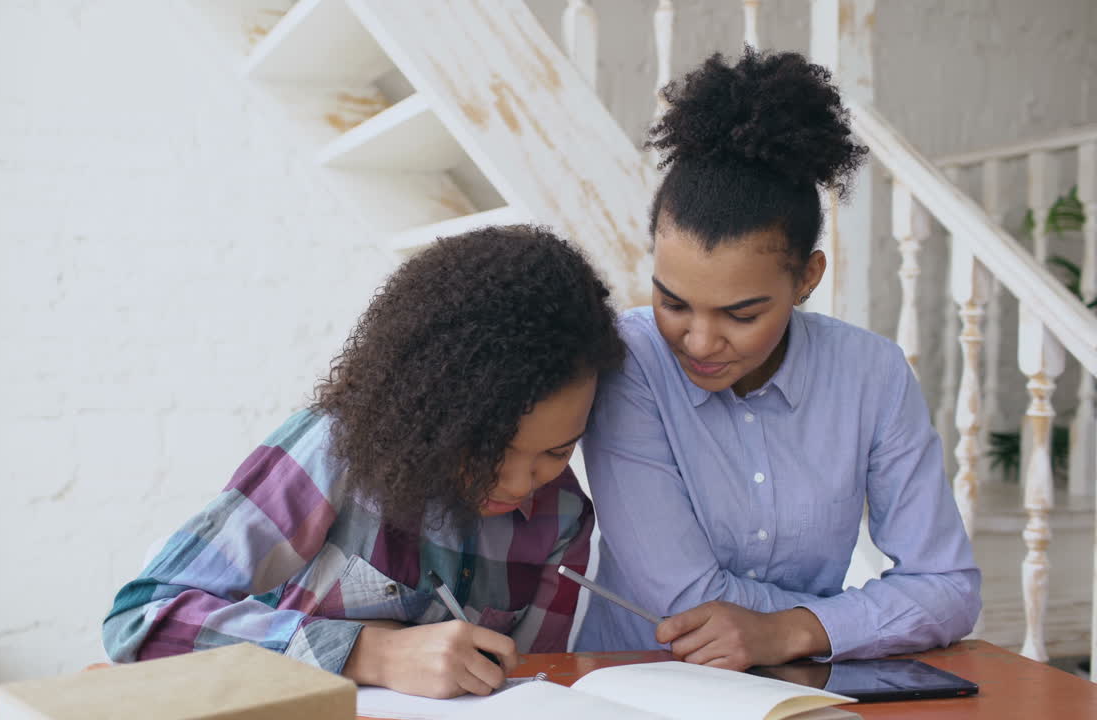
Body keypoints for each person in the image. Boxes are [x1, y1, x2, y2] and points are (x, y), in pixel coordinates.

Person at [574, 48, 981, 670]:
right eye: (673, 301)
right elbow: (684, 600)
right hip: (633, 686)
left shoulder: (873, 375)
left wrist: (794, 631)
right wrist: (851, 621)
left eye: (741, 314)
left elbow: (949, 587)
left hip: (799, 691)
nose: (701, 341)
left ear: (808, 278)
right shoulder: (629, 361)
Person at [103, 225, 625, 698]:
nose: (518, 483)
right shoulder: (336, 450)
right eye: (490, 448)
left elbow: (528, 688)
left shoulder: (564, 518)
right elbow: (140, 621)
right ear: (432, 405)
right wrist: (369, 652)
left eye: (557, 451)